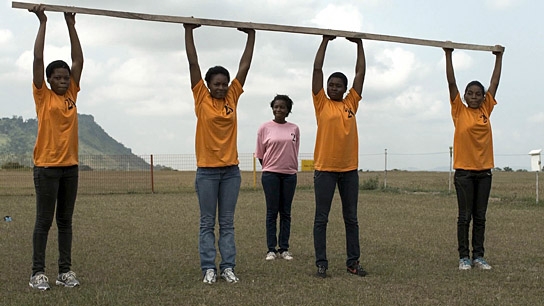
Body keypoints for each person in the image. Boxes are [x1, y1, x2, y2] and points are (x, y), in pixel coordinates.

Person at [184, 23, 255, 284]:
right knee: (206, 223)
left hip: (231, 173)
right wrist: (188, 31)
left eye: (225, 84)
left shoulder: (233, 97)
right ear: (208, 84)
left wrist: (252, 36)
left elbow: (244, 67)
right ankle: (208, 268)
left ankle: (227, 267)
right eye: (217, 84)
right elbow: (193, 64)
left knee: (227, 223)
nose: (222, 87)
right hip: (207, 172)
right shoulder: (201, 97)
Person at [28, 4, 84, 290]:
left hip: (70, 168)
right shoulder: (43, 96)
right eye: (58, 78)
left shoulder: (72, 92)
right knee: (43, 221)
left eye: (66, 78)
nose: (63, 81)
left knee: (65, 222)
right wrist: (43, 22)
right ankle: (38, 272)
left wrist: (71, 24)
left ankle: (65, 271)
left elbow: (78, 59)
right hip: (47, 168)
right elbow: (38, 57)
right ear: (48, 80)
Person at [443, 44, 503, 271]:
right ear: (465, 95)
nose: (475, 97)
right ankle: (464, 257)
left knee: (480, 217)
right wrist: (448, 55)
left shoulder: (486, 109)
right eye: (471, 93)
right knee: (464, 217)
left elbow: (495, 83)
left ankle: (479, 256)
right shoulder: (459, 109)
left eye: (479, 94)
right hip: (464, 173)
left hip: (484, 172)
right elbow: (451, 83)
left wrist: (499, 57)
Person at [311, 35, 367, 278]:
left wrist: (360, 44)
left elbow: (361, 72)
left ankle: (352, 262)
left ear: (345, 89)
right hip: (325, 169)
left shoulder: (351, 103)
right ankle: (321, 263)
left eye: (338, 86)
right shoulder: (321, 102)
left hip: (349, 170)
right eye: (331, 85)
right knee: (321, 218)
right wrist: (325, 41)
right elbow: (317, 69)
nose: (334, 88)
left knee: (351, 218)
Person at [255, 95, 300, 261]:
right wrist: (270, 166)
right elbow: (260, 153)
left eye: (282, 107)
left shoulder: (294, 129)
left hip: (289, 175)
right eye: (276, 106)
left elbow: (294, 150)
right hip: (270, 175)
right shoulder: (264, 128)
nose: (279, 110)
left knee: (286, 213)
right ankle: (271, 249)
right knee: (272, 212)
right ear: (272, 108)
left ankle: (284, 248)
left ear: (288, 110)